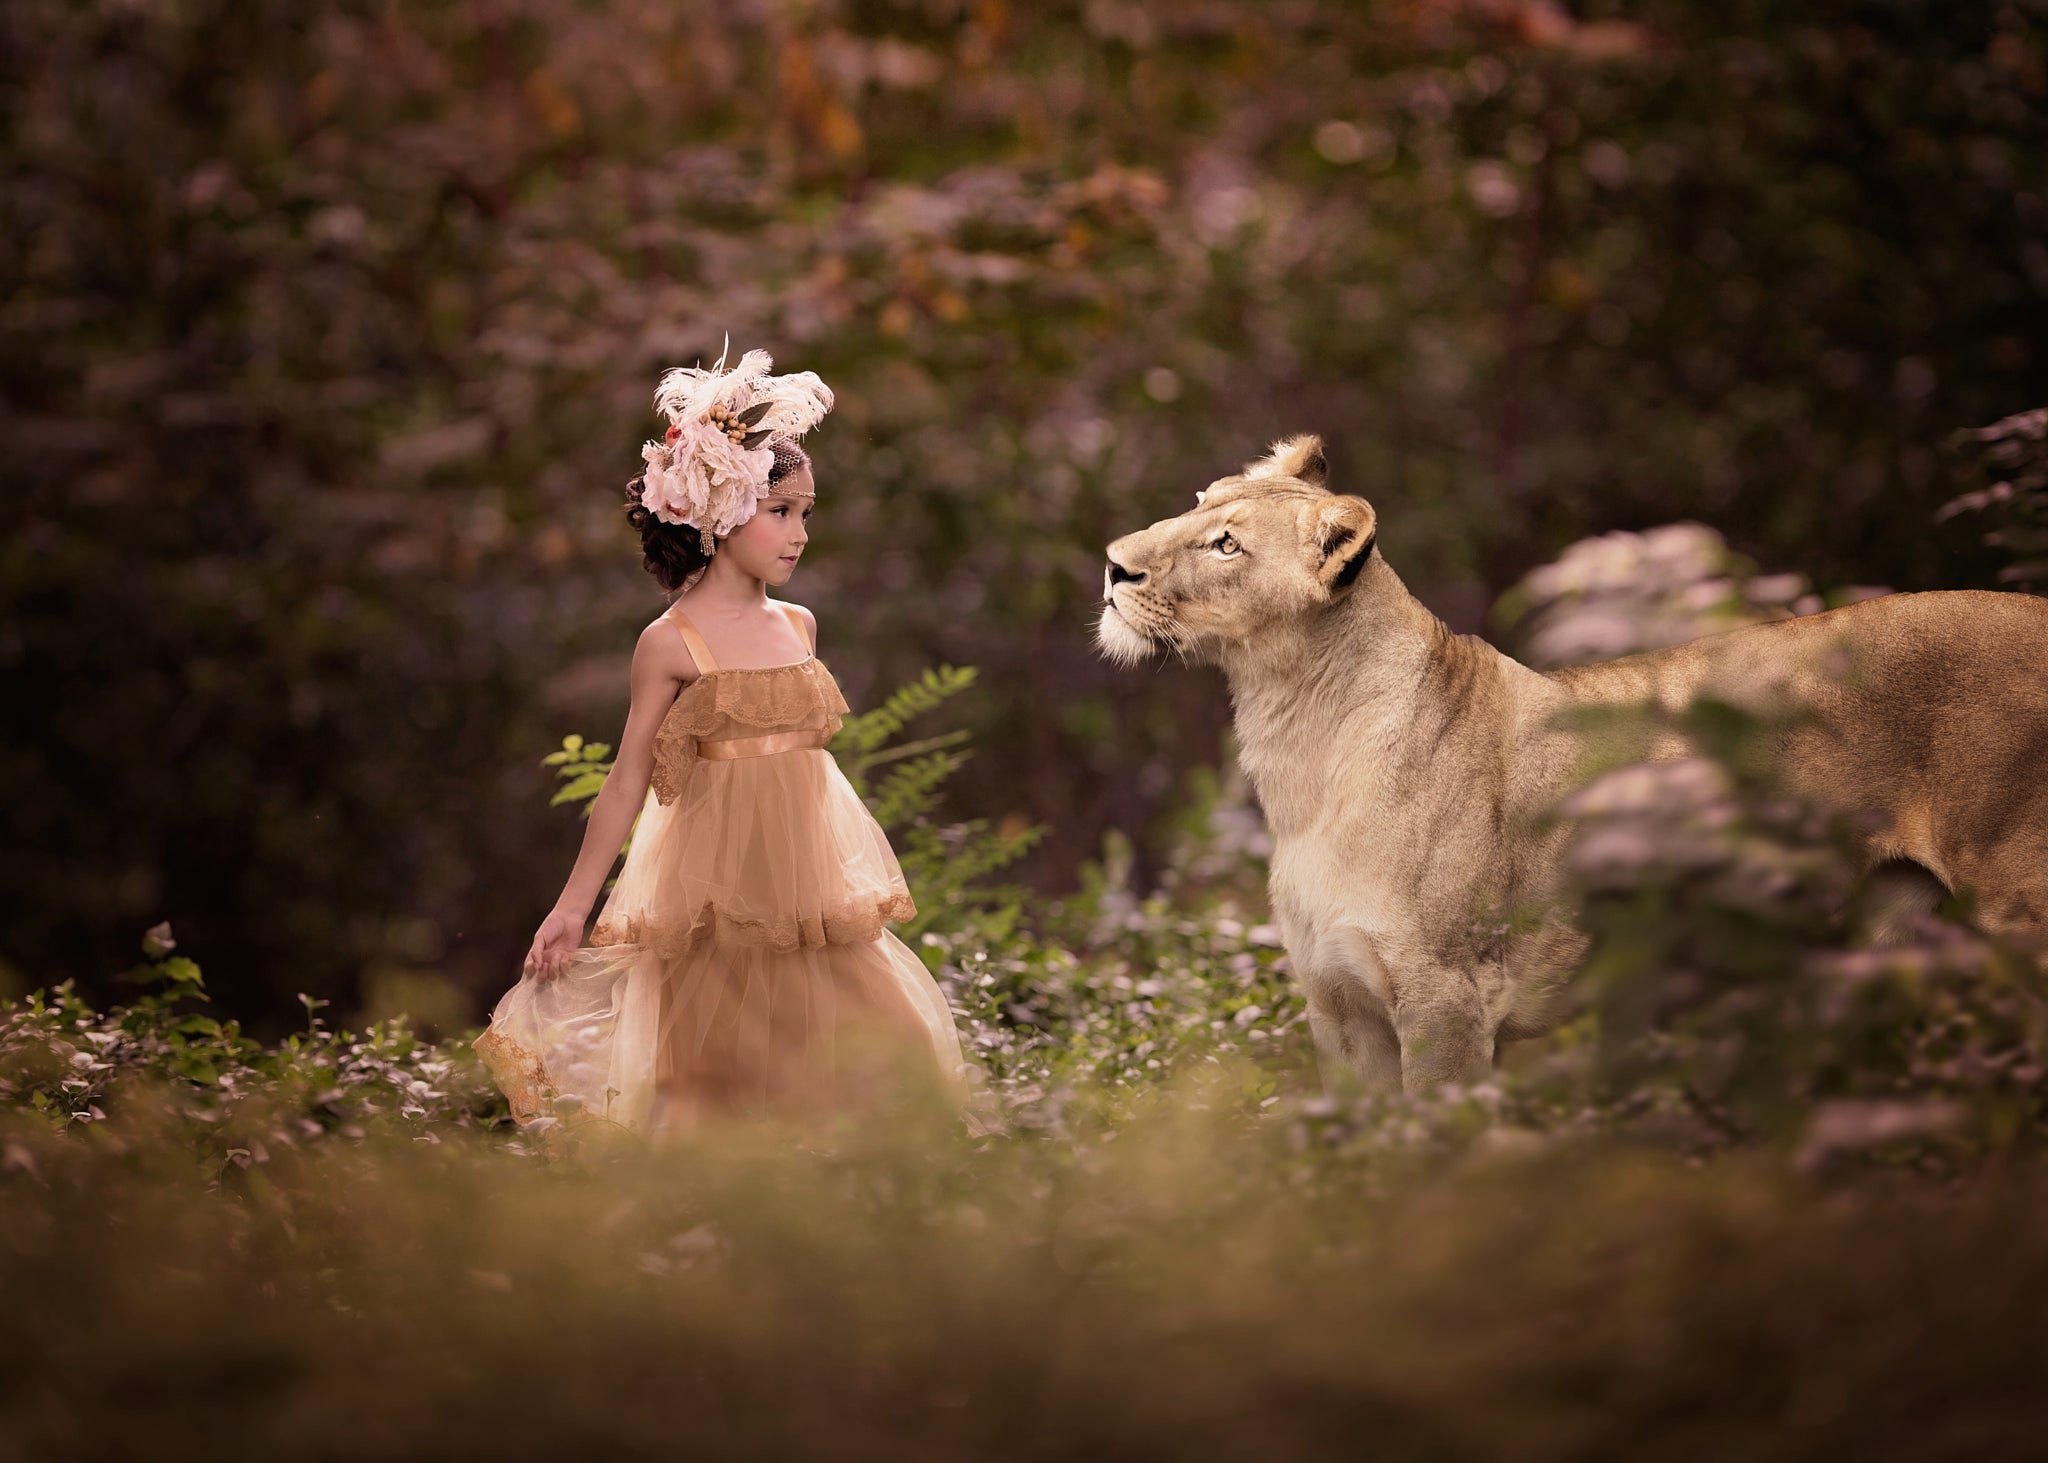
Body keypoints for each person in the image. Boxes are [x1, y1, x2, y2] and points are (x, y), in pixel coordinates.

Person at [474, 346, 969, 1136]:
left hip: (810, 900)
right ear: (721, 508)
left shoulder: (800, 625)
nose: (799, 532)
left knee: (892, 1058)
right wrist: (573, 907)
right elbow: (627, 781)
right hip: (713, 907)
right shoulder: (670, 643)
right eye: (781, 511)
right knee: (721, 1096)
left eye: (806, 512)